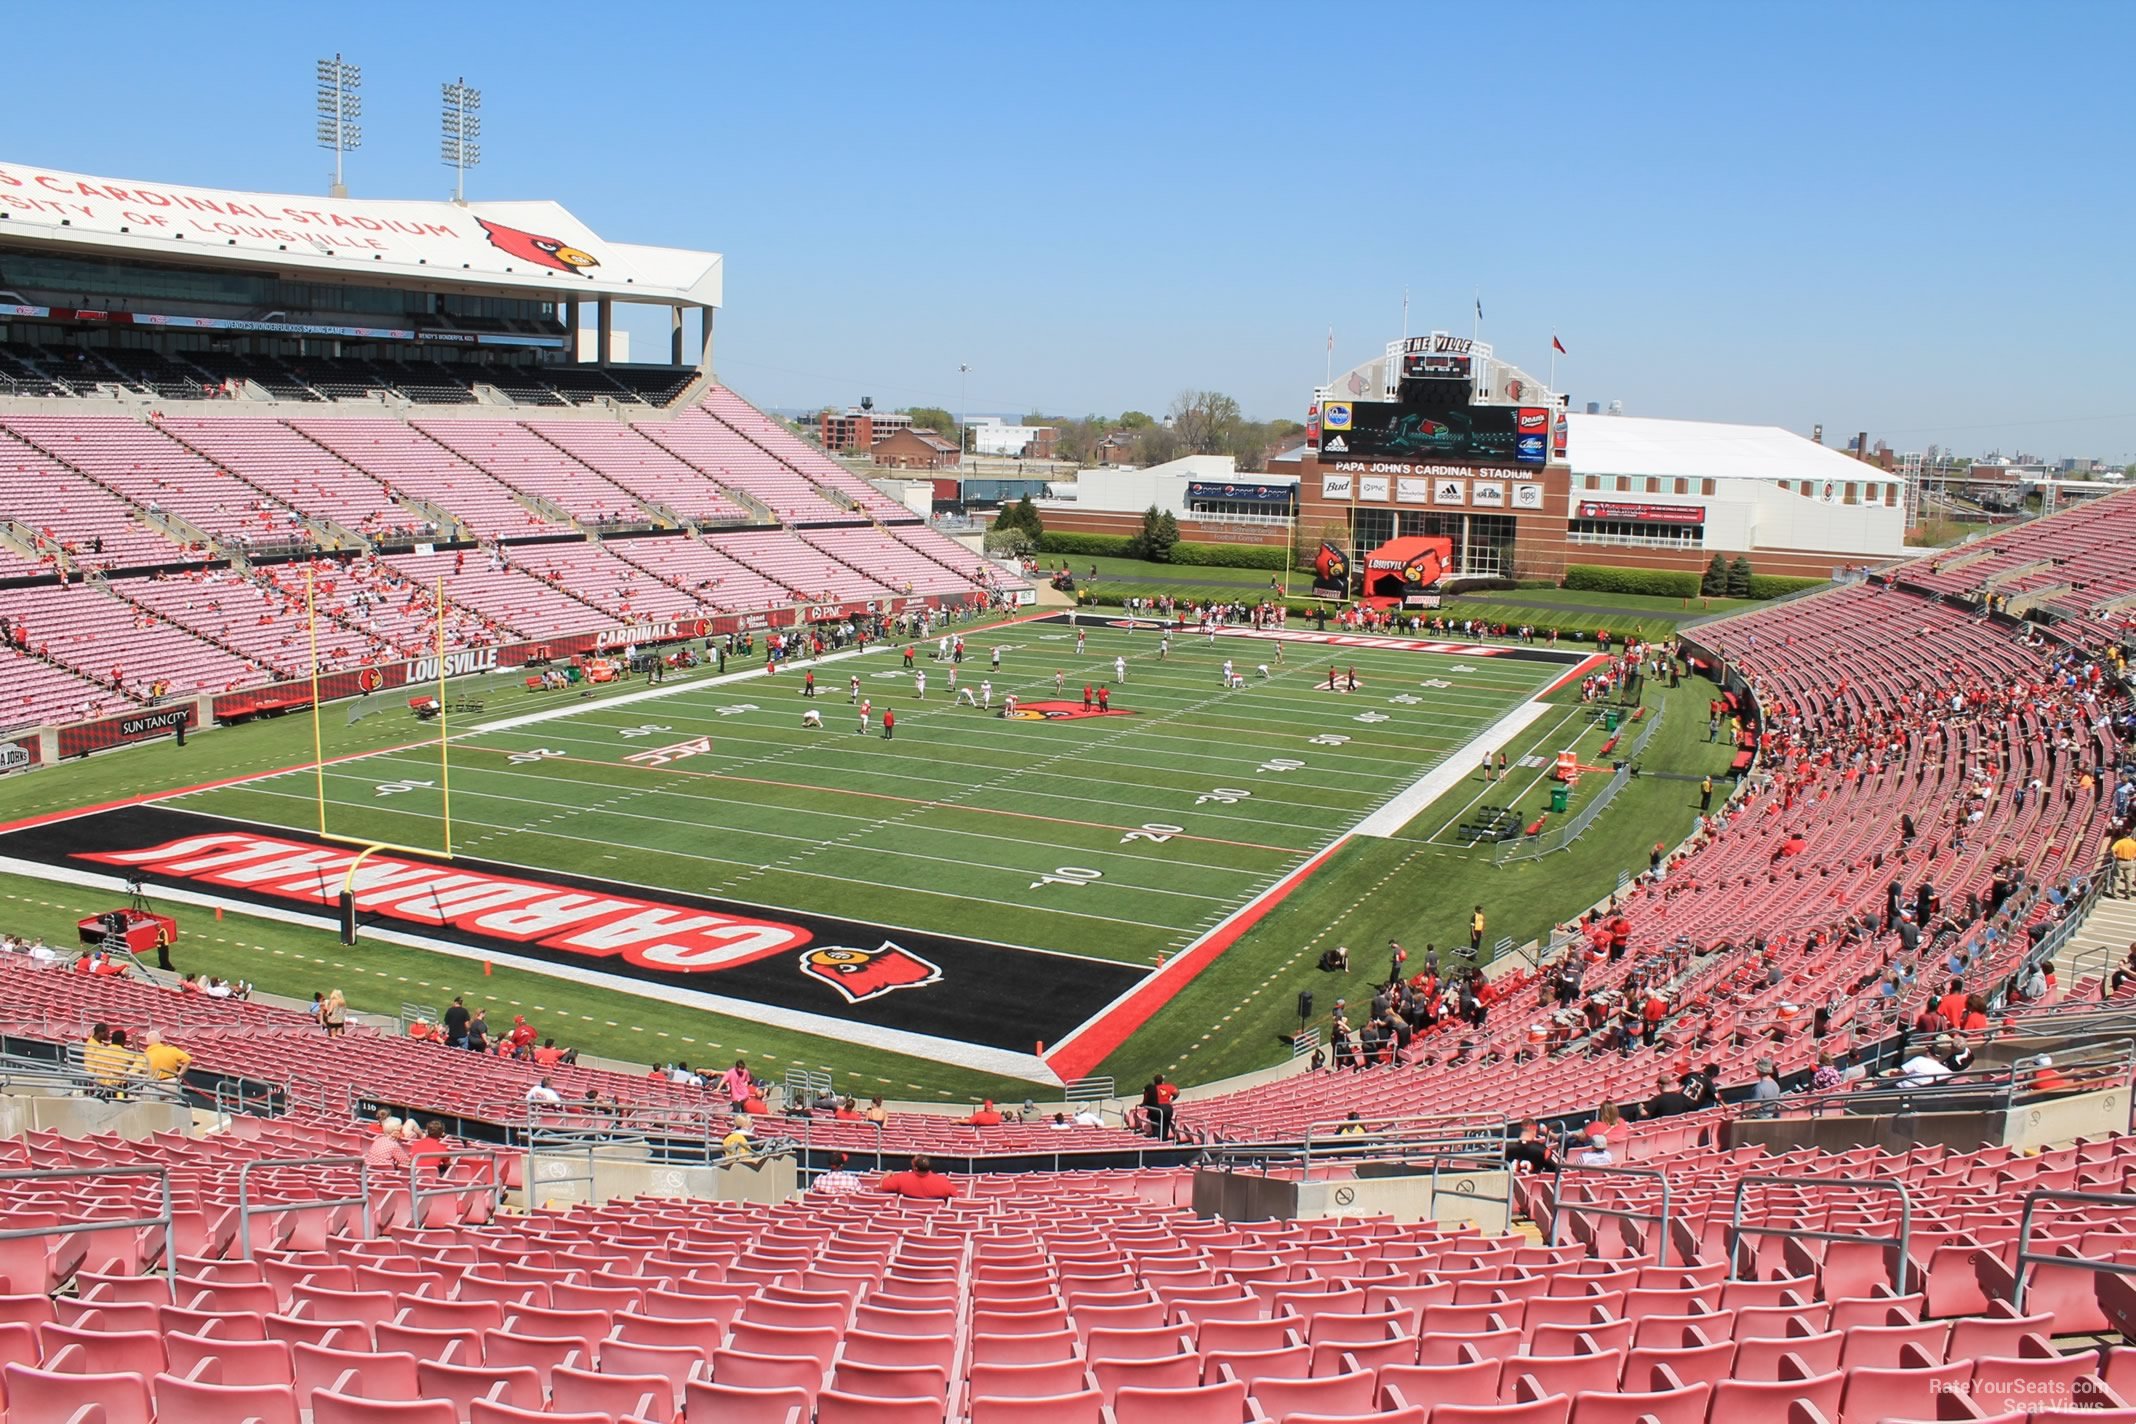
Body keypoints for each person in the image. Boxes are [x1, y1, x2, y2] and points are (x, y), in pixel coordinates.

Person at [878, 1155, 956, 1199]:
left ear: (915, 1167)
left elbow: (881, 1185)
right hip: (934, 1220)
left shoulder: (902, 1178)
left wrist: (888, 1172)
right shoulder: (942, 1181)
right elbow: (955, 1195)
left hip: (907, 1219)